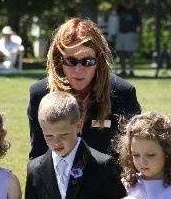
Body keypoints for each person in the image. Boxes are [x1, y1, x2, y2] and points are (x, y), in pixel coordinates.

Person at [28, 18, 141, 160]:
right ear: (58, 60)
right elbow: (38, 156)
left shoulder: (122, 93)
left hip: (108, 178)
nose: (78, 69)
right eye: (70, 61)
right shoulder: (40, 94)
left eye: (87, 61)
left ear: (99, 61)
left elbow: (134, 153)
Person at [115, 0, 142, 77]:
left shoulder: (135, 11)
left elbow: (140, 24)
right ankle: (123, 70)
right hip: (120, 33)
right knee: (120, 52)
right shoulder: (120, 9)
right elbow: (114, 7)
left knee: (130, 53)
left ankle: (132, 71)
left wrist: (139, 35)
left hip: (131, 33)